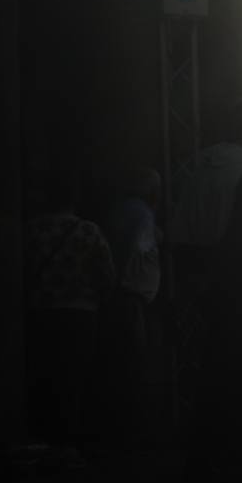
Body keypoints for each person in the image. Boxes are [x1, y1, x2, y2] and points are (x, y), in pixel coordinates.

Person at [169, 98, 242, 483]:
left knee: (211, 373)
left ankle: (202, 456)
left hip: (205, 282)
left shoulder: (201, 165)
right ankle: (238, 457)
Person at [22, 173, 115, 449]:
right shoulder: (89, 231)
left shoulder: (31, 230)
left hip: (40, 311)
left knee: (43, 375)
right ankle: (68, 441)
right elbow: (107, 275)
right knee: (74, 378)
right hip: (80, 314)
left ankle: (42, 436)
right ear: (75, 198)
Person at [96, 167, 162, 449]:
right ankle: (134, 434)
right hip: (131, 298)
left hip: (119, 297)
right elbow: (135, 249)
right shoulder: (142, 214)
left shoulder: (121, 211)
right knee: (134, 367)